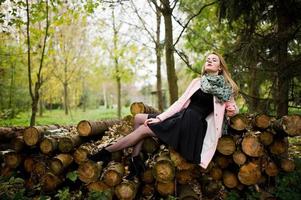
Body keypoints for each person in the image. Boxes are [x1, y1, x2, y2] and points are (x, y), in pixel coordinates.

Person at [90, 52, 239, 180]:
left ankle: (107, 152)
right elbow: (180, 103)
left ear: (220, 67)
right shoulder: (198, 82)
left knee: (143, 128)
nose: (209, 61)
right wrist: (161, 118)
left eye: (214, 60)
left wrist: (232, 111)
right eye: (208, 59)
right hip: (183, 116)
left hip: (192, 125)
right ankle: (136, 161)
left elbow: (233, 108)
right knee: (138, 118)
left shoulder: (226, 88)